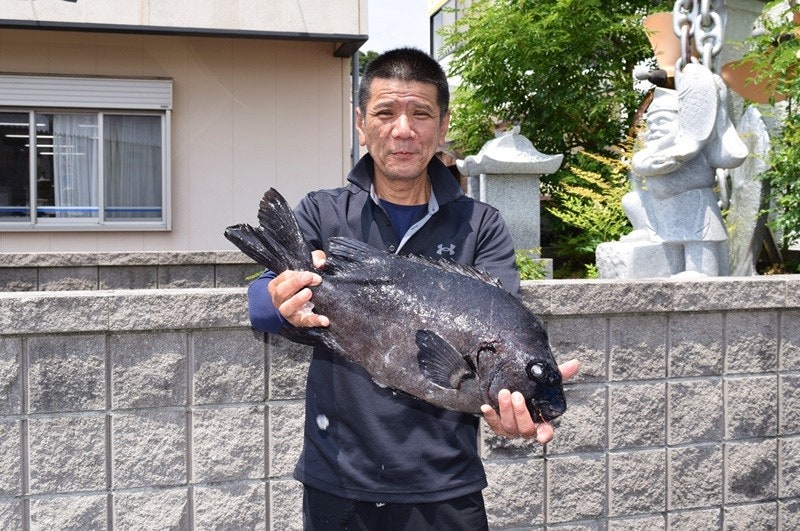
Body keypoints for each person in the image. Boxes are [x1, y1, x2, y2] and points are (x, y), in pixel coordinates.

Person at [247, 47, 580, 530]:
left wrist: (518, 400)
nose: (403, 130)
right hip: (338, 480)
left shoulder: (480, 224)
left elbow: (505, 328)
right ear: (361, 124)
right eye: (385, 113)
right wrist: (283, 301)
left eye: (421, 114)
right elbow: (260, 304)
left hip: (447, 488)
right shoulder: (323, 212)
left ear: (443, 126)